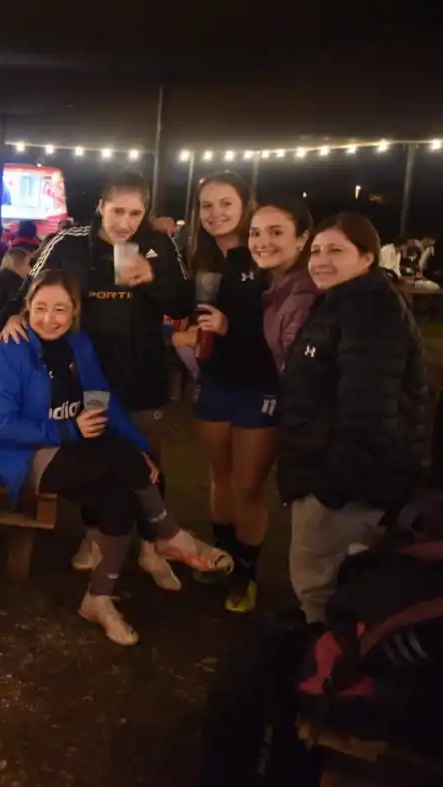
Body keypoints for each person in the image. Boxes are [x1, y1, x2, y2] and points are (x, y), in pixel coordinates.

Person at [0, 272, 233, 645]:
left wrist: (140, 450)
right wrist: (69, 431)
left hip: (73, 445)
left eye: (60, 309)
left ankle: (98, 599)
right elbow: (1, 423)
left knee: (119, 492)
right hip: (19, 455)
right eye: (40, 308)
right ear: (27, 308)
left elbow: (101, 401)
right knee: (120, 460)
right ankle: (170, 535)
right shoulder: (9, 351)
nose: (49, 318)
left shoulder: (79, 344)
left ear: (75, 311)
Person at [0, 171, 193, 590]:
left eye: (135, 214)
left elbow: (183, 300)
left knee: (147, 457)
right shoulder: (69, 243)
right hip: (85, 371)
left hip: (141, 370)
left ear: (145, 214)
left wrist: (153, 279)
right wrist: (15, 314)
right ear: (101, 206)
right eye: (118, 211)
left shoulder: (156, 245)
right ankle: (94, 539)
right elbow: (31, 288)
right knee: (96, 454)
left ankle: (152, 548)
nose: (125, 222)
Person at [278, 213, 429, 624]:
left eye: (337, 251)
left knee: (321, 583)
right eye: (317, 251)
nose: (321, 260)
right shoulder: (342, 303)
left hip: (345, 483)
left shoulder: (371, 312)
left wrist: (333, 489)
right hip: (335, 472)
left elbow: (369, 410)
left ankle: (328, 669)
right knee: (331, 576)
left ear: (367, 258)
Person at [172, 173, 278, 612]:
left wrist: (229, 327)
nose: (215, 213)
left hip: (261, 382)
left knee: (248, 484)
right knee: (219, 475)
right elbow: (180, 309)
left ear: (245, 205)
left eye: (225, 204)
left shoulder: (264, 256)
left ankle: (247, 572)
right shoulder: (200, 258)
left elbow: (278, 327)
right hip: (214, 378)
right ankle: (222, 557)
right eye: (207, 205)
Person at [255, 200, 318, 373]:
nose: (262, 242)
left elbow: (301, 373)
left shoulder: (303, 295)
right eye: (255, 233)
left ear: (302, 239)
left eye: (276, 232)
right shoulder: (275, 284)